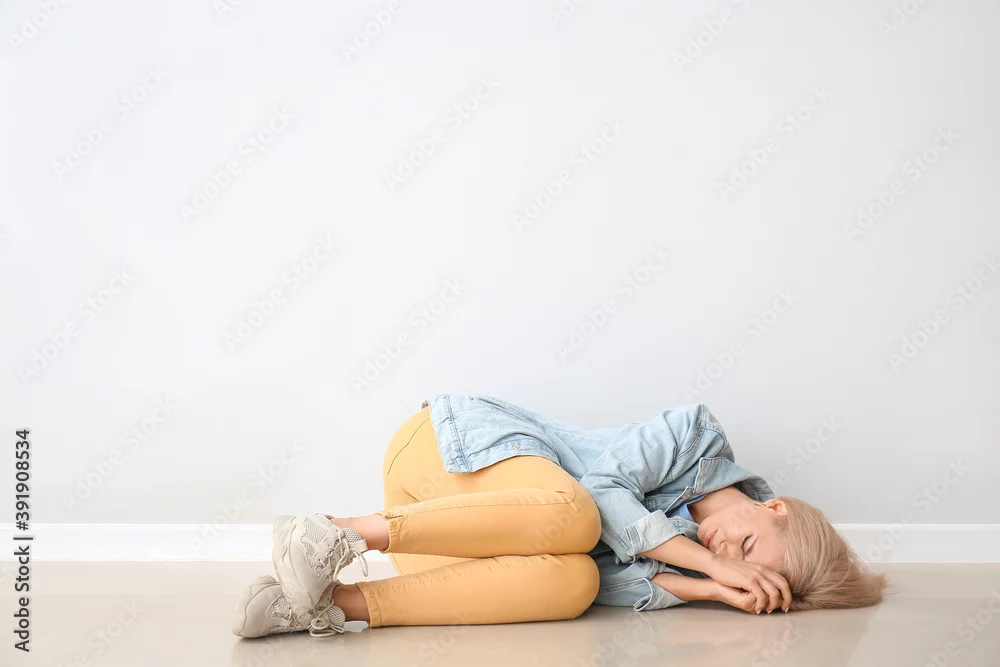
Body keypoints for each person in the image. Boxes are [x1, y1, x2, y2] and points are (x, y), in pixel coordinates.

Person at [232, 393, 887, 639]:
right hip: (448, 451)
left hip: (443, 535)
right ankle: (334, 532)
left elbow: (611, 585)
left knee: (578, 583)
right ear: (775, 507)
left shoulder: (697, 566)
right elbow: (604, 491)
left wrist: (708, 588)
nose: (723, 550)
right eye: (744, 544)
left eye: (740, 567)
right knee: (578, 516)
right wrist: (712, 564)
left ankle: (324, 605)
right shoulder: (695, 436)